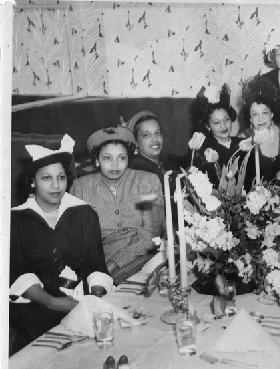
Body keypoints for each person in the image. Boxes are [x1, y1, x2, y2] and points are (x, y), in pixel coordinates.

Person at [9, 135, 113, 354]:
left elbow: (95, 266)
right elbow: (17, 272)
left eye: (61, 177)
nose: (56, 185)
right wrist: (53, 303)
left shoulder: (84, 214)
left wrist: (94, 298)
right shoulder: (16, 220)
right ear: (32, 182)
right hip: (33, 308)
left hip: (78, 301)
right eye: (46, 178)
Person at [70, 126, 164, 284]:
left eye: (121, 158)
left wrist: (113, 264)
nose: (115, 165)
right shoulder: (81, 187)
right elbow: (78, 239)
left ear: (128, 159)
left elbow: (150, 235)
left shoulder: (147, 181)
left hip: (142, 255)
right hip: (99, 261)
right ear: (96, 160)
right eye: (107, 158)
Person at [239, 93, 280, 187]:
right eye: (255, 114)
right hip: (255, 195)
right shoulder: (244, 139)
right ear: (250, 119)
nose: (260, 119)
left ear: (272, 114)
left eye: (265, 113)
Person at [191, 84, 243, 188]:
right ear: (207, 126)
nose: (223, 125)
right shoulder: (203, 152)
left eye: (226, 119)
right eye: (216, 122)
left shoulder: (243, 145)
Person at [127, 110, 182, 191]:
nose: (155, 139)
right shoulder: (138, 169)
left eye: (157, 133)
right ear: (136, 142)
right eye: (146, 135)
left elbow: (181, 161)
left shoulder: (161, 157)